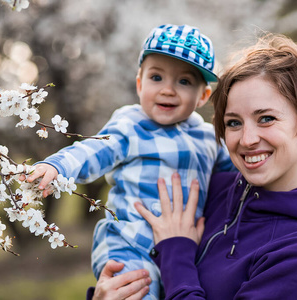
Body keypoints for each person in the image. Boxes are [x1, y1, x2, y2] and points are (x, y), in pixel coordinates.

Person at [91, 33, 297, 299]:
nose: (246, 140)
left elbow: (175, 261)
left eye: (266, 118)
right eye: (234, 122)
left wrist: (176, 250)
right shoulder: (213, 188)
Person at [26, 24, 236, 300]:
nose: (168, 90)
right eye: (156, 77)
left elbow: (236, 174)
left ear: (203, 96)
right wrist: (58, 167)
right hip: (129, 244)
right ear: (140, 83)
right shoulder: (130, 125)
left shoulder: (208, 138)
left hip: (183, 248)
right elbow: (92, 150)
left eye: (184, 81)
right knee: (135, 293)